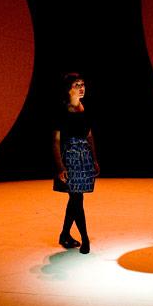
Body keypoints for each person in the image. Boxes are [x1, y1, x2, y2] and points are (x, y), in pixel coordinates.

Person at [52, 72, 100, 254]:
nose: (81, 88)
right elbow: (56, 140)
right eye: (76, 85)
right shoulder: (61, 110)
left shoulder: (85, 108)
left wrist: (94, 159)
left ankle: (64, 234)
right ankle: (85, 238)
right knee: (77, 199)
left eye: (82, 84)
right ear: (68, 90)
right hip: (70, 157)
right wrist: (60, 166)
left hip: (84, 158)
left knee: (75, 199)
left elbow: (89, 135)